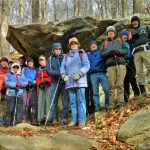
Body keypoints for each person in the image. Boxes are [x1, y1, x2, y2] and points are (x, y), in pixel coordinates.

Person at [60, 37, 90, 128]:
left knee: (81, 101)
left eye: (75, 43)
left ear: (78, 44)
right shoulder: (66, 56)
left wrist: (80, 73)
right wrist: (63, 75)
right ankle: (74, 120)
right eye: (72, 44)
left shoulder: (82, 54)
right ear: (70, 46)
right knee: (72, 102)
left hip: (80, 82)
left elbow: (87, 65)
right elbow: (62, 67)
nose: (74, 45)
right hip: (69, 83)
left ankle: (82, 121)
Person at [101, 26, 128, 109]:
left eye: (112, 31)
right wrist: (109, 52)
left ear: (114, 32)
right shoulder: (104, 43)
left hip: (120, 64)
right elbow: (101, 54)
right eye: (109, 32)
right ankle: (112, 104)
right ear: (107, 34)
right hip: (110, 66)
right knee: (112, 85)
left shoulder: (120, 40)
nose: (110, 33)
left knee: (120, 84)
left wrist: (118, 52)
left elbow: (126, 50)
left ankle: (120, 103)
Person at [46, 42, 69, 125]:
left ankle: (64, 117)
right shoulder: (50, 59)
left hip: (65, 82)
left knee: (65, 100)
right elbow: (48, 70)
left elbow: (69, 67)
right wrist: (57, 73)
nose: (58, 51)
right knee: (53, 100)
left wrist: (63, 73)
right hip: (54, 82)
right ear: (53, 50)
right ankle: (54, 118)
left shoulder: (65, 57)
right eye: (56, 49)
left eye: (59, 49)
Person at [129, 16, 150, 97]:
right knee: (139, 72)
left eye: (136, 21)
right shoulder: (130, 32)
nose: (134, 22)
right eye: (133, 21)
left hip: (146, 50)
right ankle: (143, 92)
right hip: (136, 53)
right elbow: (129, 43)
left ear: (138, 21)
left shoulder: (145, 28)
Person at [88, 40, 109, 111]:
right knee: (95, 92)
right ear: (90, 47)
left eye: (94, 45)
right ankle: (97, 108)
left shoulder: (101, 53)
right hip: (93, 75)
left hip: (102, 73)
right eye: (92, 45)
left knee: (106, 89)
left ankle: (107, 105)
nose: (93, 46)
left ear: (97, 46)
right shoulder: (88, 56)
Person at [120, 30, 140, 102]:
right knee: (125, 82)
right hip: (123, 65)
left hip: (131, 63)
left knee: (132, 79)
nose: (124, 36)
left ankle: (137, 93)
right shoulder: (120, 45)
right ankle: (126, 98)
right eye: (123, 35)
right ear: (121, 37)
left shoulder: (131, 43)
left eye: (125, 35)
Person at [36, 55, 52, 125]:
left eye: (42, 60)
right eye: (40, 60)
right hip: (41, 87)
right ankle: (40, 118)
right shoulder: (39, 70)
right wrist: (39, 84)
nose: (41, 61)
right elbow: (37, 78)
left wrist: (46, 80)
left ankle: (49, 118)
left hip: (48, 86)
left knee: (48, 101)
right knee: (41, 102)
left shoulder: (49, 68)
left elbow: (52, 77)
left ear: (45, 60)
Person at [22, 57, 38, 124]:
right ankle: (25, 118)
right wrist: (29, 81)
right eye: (29, 61)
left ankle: (34, 118)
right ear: (27, 62)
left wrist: (34, 82)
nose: (30, 62)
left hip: (33, 88)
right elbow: (22, 77)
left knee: (33, 103)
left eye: (32, 61)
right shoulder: (24, 69)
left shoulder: (36, 70)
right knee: (25, 103)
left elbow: (37, 78)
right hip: (26, 87)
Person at [0, 57, 9, 125]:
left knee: (5, 105)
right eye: (3, 61)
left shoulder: (9, 72)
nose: (4, 62)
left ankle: (4, 120)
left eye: (5, 61)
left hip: (6, 91)